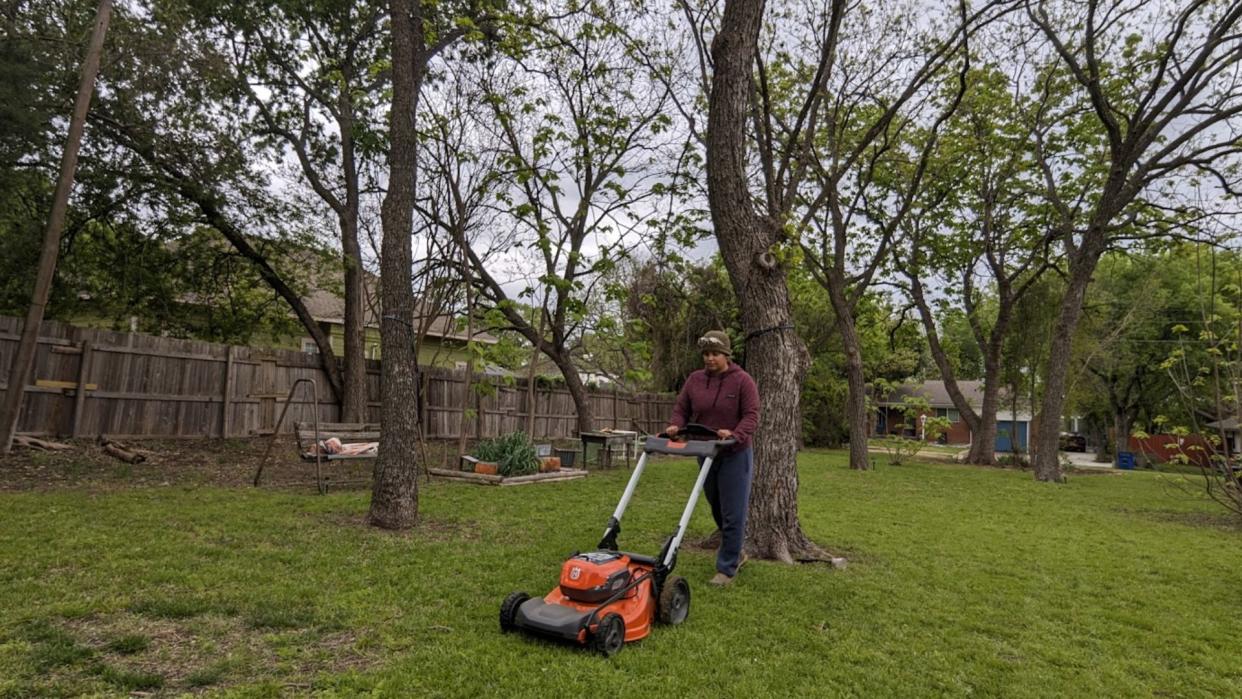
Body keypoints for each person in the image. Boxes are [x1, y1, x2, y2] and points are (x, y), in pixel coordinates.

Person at [664, 330, 760, 587]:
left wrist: (735, 434)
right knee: (717, 506)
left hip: (734, 454)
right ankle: (736, 549)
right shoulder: (695, 380)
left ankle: (727, 567)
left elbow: (751, 415)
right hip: (706, 454)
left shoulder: (742, 381)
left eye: (715, 354)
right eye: (706, 354)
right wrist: (675, 425)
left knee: (733, 512)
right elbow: (682, 408)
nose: (709, 358)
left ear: (726, 355)